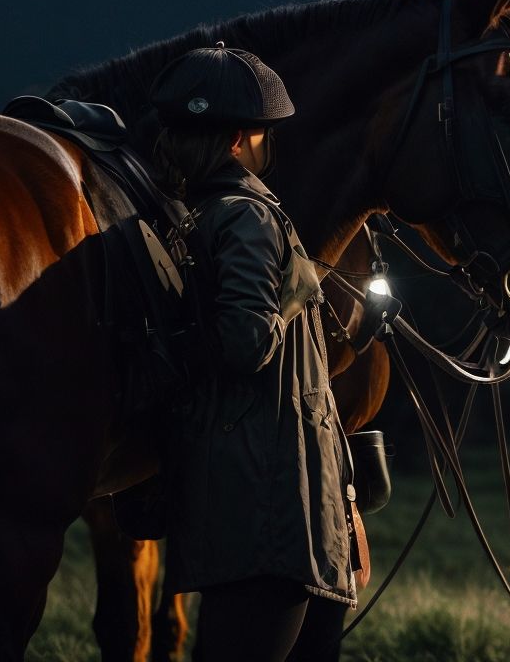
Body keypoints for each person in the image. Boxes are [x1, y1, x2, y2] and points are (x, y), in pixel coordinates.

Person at [149, 42, 358, 662]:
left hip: (257, 504)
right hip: (272, 508)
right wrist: (298, 290)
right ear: (242, 140)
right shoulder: (248, 217)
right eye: (266, 133)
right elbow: (246, 342)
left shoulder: (198, 215)